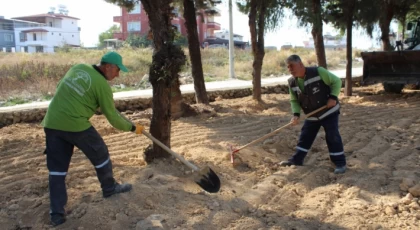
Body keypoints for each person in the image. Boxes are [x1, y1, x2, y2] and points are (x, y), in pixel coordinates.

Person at [42, 51, 145, 226]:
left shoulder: (78, 67)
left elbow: (61, 86)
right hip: (76, 125)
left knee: (57, 171)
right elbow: (112, 118)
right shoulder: (102, 85)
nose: (118, 74)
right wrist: (133, 128)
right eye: (117, 70)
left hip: (51, 123)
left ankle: (57, 215)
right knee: (100, 153)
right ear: (107, 67)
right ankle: (109, 189)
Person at [279, 54, 346, 174]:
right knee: (305, 136)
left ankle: (340, 163)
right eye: (288, 67)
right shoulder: (292, 83)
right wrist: (296, 114)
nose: (290, 70)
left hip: (328, 111)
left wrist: (333, 97)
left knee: (332, 135)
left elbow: (336, 81)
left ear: (300, 64)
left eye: (292, 66)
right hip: (312, 114)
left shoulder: (318, 71)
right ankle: (297, 159)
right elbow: (294, 100)